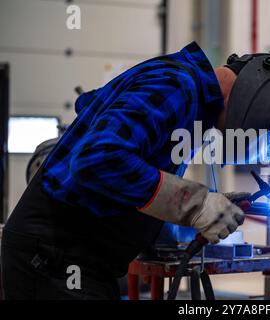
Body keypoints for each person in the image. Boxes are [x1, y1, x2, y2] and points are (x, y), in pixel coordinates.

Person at [1, 42, 245, 300]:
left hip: (73, 258)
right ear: (249, 95)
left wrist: (205, 207)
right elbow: (98, 158)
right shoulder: (178, 85)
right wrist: (196, 204)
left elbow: (90, 103)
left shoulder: (179, 84)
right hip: (55, 257)